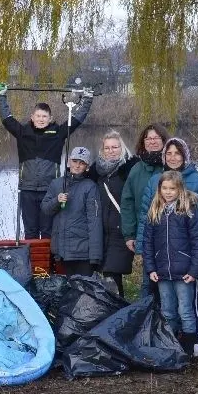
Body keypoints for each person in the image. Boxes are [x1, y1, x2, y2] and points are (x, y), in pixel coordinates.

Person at [0, 87, 93, 239]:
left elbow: (76, 120)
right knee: (30, 232)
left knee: (48, 232)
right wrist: (1, 96)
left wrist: (87, 99)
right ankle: (32, 263)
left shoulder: (58, 133)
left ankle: (49, 263)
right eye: (38, 116)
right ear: (32, 117)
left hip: (50, 191)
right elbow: (7, 119)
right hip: (27, 190)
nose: (41, 119)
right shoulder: (22, 133)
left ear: (50, 118)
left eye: (44, 116)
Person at [137, 138, 198, 299]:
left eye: (177, 153)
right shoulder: (155, 180)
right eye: (169, 153)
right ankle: (156, 321)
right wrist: (142, 248)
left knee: (189, 299)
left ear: (185, 155)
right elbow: (146, 215)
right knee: (156, 293)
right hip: (161, 252)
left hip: (187, 253)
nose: (173, 157)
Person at [142, 170, 198, 357]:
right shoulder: (155, 211)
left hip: (184, 272)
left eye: (172, 188)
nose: (168, 192)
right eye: (165, 188)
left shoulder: (188, 211)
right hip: (162, 271)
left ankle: (191, 345)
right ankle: (171, 344)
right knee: (167, 310)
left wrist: (194, 270)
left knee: (185, 310)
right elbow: (147, 243)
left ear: (180, 189)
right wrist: (150, 268)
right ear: (159, 189)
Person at [87, 130, 138, 298]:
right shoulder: (97, 172)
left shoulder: (129, 170)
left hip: (121, 230)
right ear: (102, 150)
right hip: (102, 232)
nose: (111, 151)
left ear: (121, 148)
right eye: (107, 148)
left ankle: (117, 311)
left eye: (115, 147)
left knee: (112, 272)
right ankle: (115, 309)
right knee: (106, 273)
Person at [120, 124, 169, 297]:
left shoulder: (171, 166)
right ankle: (147, 316)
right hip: (147, 232)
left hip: (172, 233)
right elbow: (127, 202)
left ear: (164, 140)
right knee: (148, 279)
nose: (152, 142)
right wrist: (129, 234)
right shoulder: (136, 169)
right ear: (143, 142)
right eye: (148, 138)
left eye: (157, 138)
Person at [40, 147, 102, 276]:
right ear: (68, 162)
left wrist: (95, 255)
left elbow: (94, 221)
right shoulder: (56, 183)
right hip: (62, 251)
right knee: (70, 289)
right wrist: (57, 200)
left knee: (85, 290)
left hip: (83, 253)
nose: (77, 166)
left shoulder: (90, 187)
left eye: (82, 163)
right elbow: (45, 209)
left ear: (87, 167)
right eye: (75, 161)